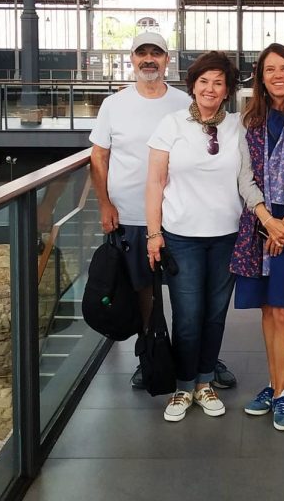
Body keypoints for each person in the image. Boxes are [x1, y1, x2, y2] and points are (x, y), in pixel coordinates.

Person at [89, 32, 191, 390]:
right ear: (131, 59)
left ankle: (192, 356)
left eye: (156, 53)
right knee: (140, 290)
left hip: (177, 213)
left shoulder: (183, 102)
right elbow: (98, 157)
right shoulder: (113, 105)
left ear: (167, 60)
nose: (149, 60)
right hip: (129, 215)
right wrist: (104, 202)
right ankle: (148, 353)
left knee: (185, 290)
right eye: (142, 53)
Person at [145, 51, 243, 422]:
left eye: (218, 82)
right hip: (181, 235)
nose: (210, 88)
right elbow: (154, 183)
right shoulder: (170, 125)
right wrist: (154, 234)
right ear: (193, 85)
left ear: (227, 90)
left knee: (216, 314)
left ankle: (205, 382)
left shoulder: (238, 125)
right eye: (204, 81)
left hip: (226, 235)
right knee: (187, 315)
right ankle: (183, 386)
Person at [232, 44, 284, 432]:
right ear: (261, 77)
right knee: (267, 310)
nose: (278, 75)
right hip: (260, 222)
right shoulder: (249, 121)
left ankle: (283, 394)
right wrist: (267, 218)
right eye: (270, 70)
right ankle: (272, 383)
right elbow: (244, 177)